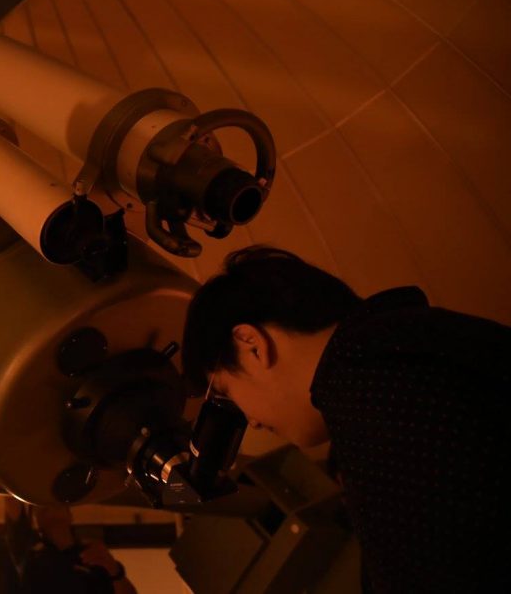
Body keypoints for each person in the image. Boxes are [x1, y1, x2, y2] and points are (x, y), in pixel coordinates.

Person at [181, 245, 511, 592]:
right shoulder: (404, 346)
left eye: (225, 392)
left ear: (251, 344)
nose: (253, 421)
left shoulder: (367, 393)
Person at [5, 499, 137, 594]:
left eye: (58, 502)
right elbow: (11, 495)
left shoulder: (93, 557)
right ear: (36, 519)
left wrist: (114, 570)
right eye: (42, 503)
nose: (51, 504)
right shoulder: (28, 547)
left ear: (70, 515)